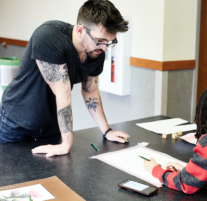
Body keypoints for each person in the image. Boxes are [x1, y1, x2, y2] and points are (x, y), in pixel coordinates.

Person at [0, 0, 130, 157]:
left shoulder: (95, 51)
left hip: (51, 124)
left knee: (52, 175)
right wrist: (66, 144)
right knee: (11, 178)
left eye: (109, 42)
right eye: (100, 41)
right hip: (16, 122)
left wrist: (107, 131)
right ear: (80, 30)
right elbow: (63, 93)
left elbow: (91, 91)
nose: (104, 47)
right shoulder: (49, 37)